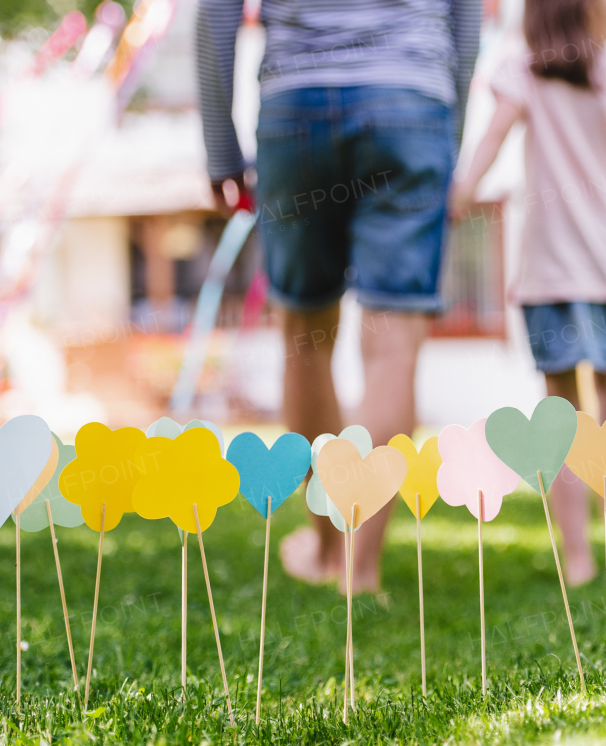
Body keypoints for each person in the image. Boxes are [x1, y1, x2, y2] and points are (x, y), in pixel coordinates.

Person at [196, 0, 481, 592]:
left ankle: (328, 549)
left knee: (304, 337)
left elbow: (217, 11)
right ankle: (360, 567)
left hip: (297, 102)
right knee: (393, 347)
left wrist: (220, 144)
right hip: (410, 99)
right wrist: (444, 133)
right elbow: (466, 18)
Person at [450, 0, 606, 584]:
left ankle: (577, 556)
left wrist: (458, 196)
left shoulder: (522, 71)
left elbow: (490, 141)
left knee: (560, 412)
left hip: (551, 263)